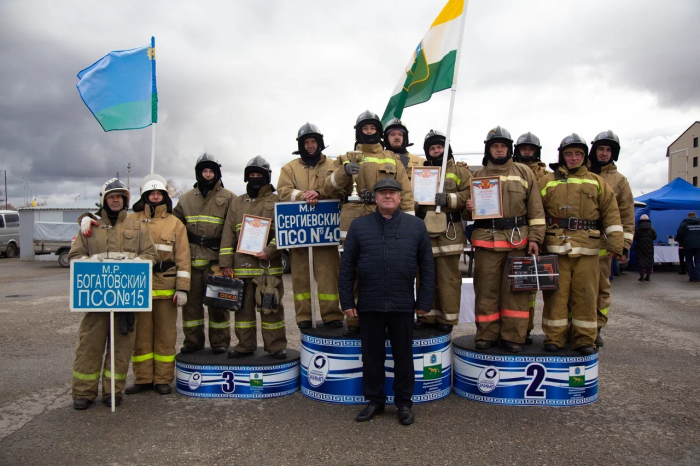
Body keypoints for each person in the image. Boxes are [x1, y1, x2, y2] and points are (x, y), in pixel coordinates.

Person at [338, 178, 434, 425]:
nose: (388, 196)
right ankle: (375, 401)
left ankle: (404, 404)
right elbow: (347, 267)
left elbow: (427, 266)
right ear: (376, 198)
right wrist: (347, 300)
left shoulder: (416, 226)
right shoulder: (359, 226)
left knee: (404, 356)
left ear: (400, 198)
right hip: (370, 304)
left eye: (392, 193)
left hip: (403, 304)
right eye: (383, 193)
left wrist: (424, 300)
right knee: (371, 356)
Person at [323, 110, 415, 336]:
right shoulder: (345, 158)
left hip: (386, 219)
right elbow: (327, 188)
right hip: (353, 219)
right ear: (358, 131)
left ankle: (386, 318)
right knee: (354, 270)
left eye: (373, 128)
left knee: (385, 268)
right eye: (365, 128)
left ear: (379, 131)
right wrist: (344, 172)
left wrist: (410, 229)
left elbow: (406, 193)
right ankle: (355, 322)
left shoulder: (393, 158)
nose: (370, 132)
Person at [68, 179, 158, 409]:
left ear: (126, 200)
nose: (116, 200)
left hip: (126, 302)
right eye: (111, 196)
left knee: (121, 349)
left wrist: (135, 262)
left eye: (120, 197)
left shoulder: (138, 228)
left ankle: (113, 392)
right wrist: (92, 262)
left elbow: (151, 255)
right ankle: (84, 392)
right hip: (97, 300)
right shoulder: (90, 228)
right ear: (104, 200)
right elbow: (74, 257)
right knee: (90, 346)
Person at [539, 134, 624, 355]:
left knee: (586, 295)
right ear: (561, 156)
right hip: (556, 249)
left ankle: (585, 338)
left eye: (578, 154)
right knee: (555, 295)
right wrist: (536, 242)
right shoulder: (547, 182)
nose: (574, 158)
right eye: (569, 154)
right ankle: (554, 337)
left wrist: (617, 245)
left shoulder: (597, 182)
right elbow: (536, 213)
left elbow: (612, 215)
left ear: (584, 156)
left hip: (588, 250)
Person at [465, 126, 545, 353]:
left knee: (516, 292)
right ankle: (486, 335)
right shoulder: (477, 176)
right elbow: (465, 213)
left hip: (517, 241)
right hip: (486, 242)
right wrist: (468, 207)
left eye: (503, 146)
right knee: (486, 292)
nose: (499, 150)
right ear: (488, 149)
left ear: (509, 149)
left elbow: (536, 210)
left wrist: (536, 239)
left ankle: (514, 336)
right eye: (495, 146)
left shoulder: (524, 172)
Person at [125, 175, 190, 395]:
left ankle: (162, 379)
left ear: (164, 196)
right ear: (144, 196)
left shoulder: (175, 223)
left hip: (166, 289)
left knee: (165, 336)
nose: (155, 196)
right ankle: (143, 379)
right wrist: (87, 219)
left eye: (159, 193)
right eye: (151, 193)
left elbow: (183, 257)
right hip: (139, 289)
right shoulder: (130, 220)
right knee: (141, 337)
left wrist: (182, 288)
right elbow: (106, 226)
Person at [277, 123, 344, 329]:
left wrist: (320, 194)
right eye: (306, 142)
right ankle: (303, 316)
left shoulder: (332, 165)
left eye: (313, 141)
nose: (310, 145)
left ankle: (332, 314)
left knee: (328, 274)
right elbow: (282, 191)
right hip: (299, 231)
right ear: (300, 145)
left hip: (325, 230)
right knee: (300, 276)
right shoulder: (289, 168)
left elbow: (341, 189)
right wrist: (302, 195)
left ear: (319, 143)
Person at [220, 156, 287, 359]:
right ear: (246, 177)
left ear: (267, 177)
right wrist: (225, 264)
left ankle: (276, 347)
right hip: (241, 268)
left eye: (259, 174)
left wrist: (271, 250)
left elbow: (284, 231)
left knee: (271, 309)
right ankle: (244, 346)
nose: (255, 178)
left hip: (268, 267)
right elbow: (228, 235)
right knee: (242, 313)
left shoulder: (277, 201)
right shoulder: (237, 203)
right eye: (252, 174)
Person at [173, 153, 236, 354]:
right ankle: (193, 342)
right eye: (204, 171)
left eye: (211, 171)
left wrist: (227, 262)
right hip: (191, 261)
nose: (207, 174)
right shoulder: (185, 199)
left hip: (216, 261)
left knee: (219, 305)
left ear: (216, 173)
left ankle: (220, 343)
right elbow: (172, 224)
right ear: (199, 173)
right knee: (191, 307)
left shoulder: (229, 198)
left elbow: (234, 230)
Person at [414, 130, 472, 332]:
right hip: (425, 233)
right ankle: (426, 316)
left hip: (450, 232)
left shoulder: (460, 171)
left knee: (448, 279)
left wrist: (449, 199)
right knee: (425, 276)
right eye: (432, 148)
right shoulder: (420, 173)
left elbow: (470, 194)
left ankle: (447, 318)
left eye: (440, 146)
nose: (437, 150)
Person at [589, 130, 635, 346]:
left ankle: (597, 327)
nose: (604, 153)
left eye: (608, 150)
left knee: (601, 288)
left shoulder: (620, 181)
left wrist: (624, 245)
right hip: (578, 242)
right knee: (573, 287)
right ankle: (575, 327)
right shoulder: (580, 173)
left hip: (603, 245)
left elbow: (626, 215)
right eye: (601, 149)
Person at [513, 132, 550, 344]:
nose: (527, 151)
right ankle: (524, 329)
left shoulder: (548, 176)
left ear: (537, 151)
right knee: (524, 287)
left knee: (550, 287)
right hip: (522, 236)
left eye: (531, 148)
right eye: (524, 148)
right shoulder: (513, 171)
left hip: (543, 235)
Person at [676, 212, 700, 282]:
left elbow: (679, 235)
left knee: (689, 261)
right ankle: (698, 276)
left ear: (688, 216)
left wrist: (677, 239)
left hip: (687, 245)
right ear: (696, 216)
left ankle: (691, 277)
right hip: (699, 245)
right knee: (698, 261)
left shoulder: (684, 224)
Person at [633, 214, 657, 282]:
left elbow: (635, 237)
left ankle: (642, 277)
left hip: (640, 247)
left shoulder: (638, 228)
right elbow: (655, 237)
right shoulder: (652, 228)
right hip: (649, 247)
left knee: (641, 261)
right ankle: (648, 276)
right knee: (649, 261)